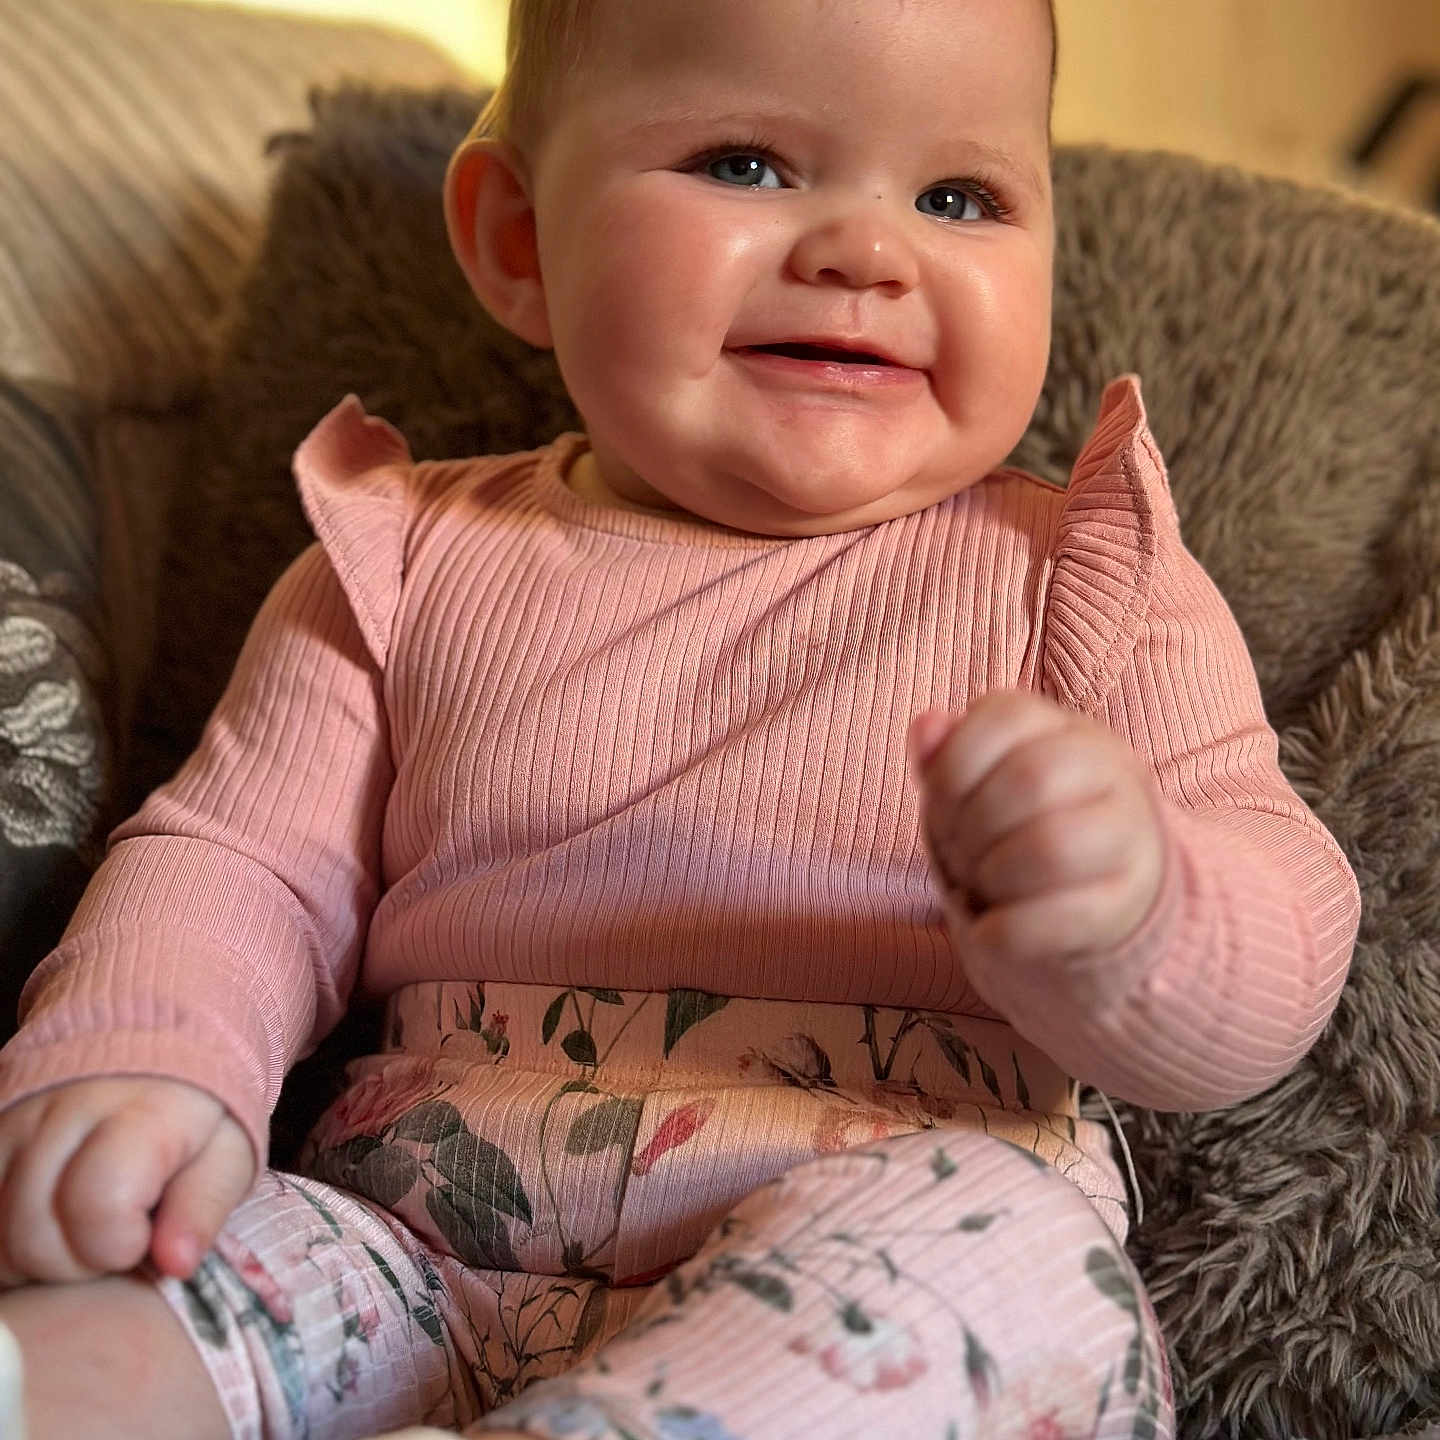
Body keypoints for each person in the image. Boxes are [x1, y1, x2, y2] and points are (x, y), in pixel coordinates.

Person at [0, 0, 1360, 1435]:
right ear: (521, 239)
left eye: (957, 196)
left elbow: (1278, 953)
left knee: (1006, 1269)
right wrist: (144, 1064)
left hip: (883, 1226)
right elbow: (239, 862)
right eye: (747, 164)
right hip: (412, 1250)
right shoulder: (403, 563)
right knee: (151, 1296)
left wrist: (1137, 908)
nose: (863, 249)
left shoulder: (1080, 579)